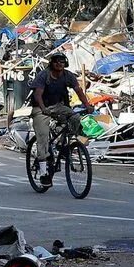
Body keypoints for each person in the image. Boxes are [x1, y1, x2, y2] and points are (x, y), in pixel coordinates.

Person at [29, 53, 92, 185]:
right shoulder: (43, 75)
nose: (59, 64)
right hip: (41, 109)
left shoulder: (68, 75)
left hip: (58, 106)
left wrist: (87, 105)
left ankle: (62, 145)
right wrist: (43, 108)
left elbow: (78, 90)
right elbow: (38, 94)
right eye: (57, 62)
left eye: (62, 62)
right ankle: (43, 173)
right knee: (43, 138)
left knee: (75, 118)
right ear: (51, 63)